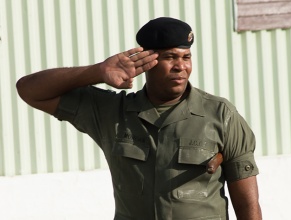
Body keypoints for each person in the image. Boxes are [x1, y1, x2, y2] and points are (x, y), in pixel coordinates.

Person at [16, 17, 262, 220]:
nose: (180, 66)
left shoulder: (221, 115)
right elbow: (29, 89)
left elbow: (248, 205)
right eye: (169, 58)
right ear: (147, 62)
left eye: (185, 57)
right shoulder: (112, 113)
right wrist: (98, 72)